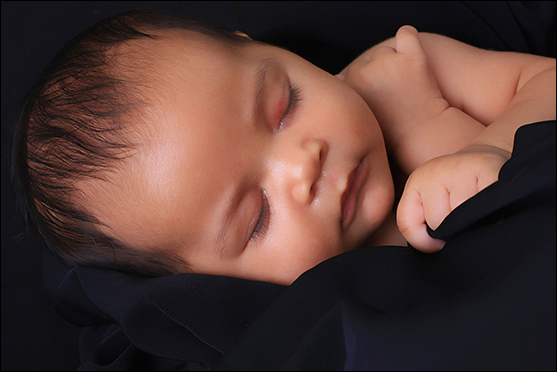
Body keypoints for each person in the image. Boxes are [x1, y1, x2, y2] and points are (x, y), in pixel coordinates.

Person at [12, 9, 555, 286]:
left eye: (283, 106)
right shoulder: (320, 316)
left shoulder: (404, 73)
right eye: (256, 218)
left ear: (267, 49)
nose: (303, 166)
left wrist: (471, 140)